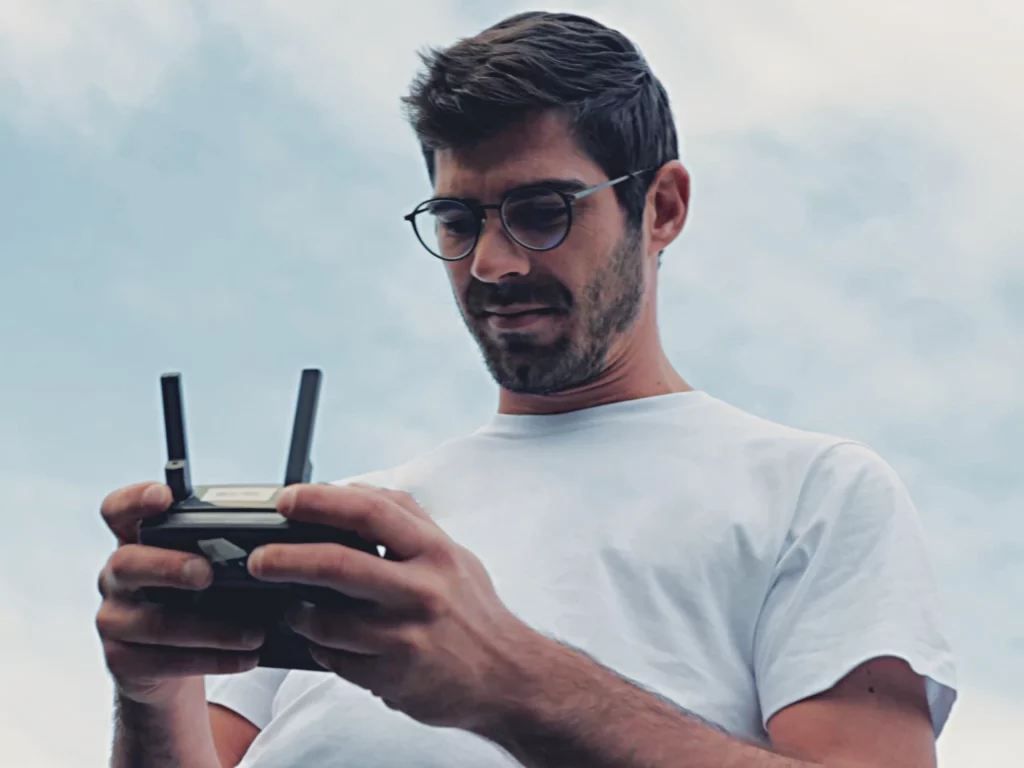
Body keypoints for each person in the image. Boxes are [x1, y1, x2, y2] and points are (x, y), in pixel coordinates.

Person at [95, 11, 957, 768]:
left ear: (662, 208)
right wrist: (151, 691)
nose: (492, 265)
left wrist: (502, 681)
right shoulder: (356, 519)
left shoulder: (815, 492)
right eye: (458, 222)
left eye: (542, 211)